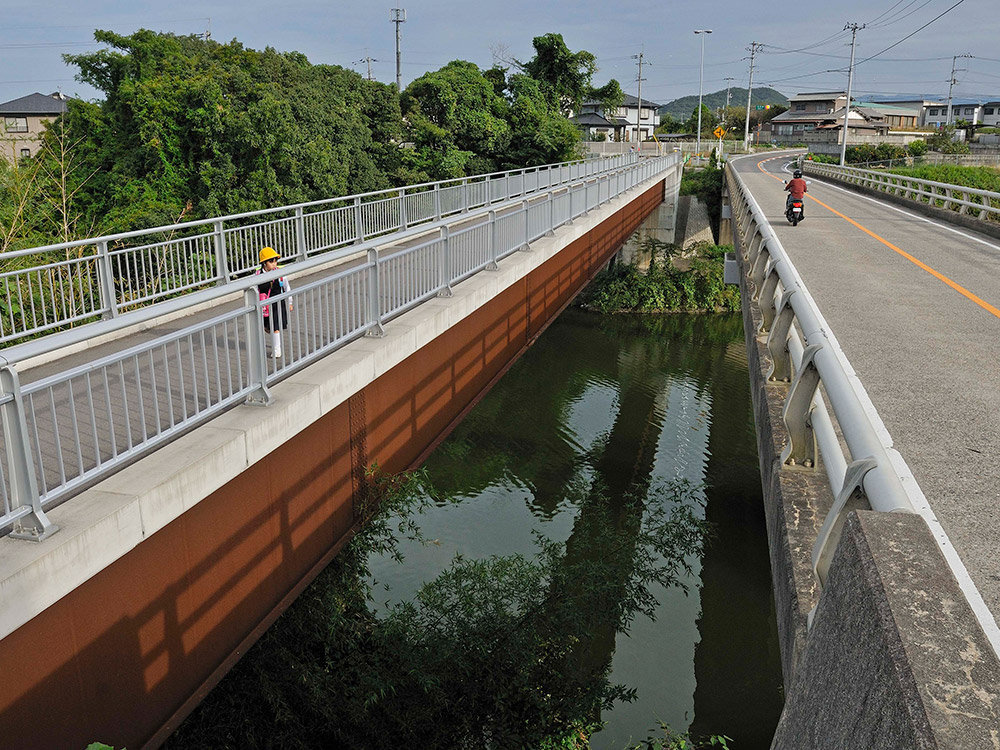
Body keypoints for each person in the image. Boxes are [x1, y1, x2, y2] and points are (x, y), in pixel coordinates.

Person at [256, 247, 292, 358]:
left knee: (275, 326)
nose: (274, 263)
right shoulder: (258, 275)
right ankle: (275, 344)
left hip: (277, 303)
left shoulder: (280, 274)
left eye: (275, 260)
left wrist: (290, 302)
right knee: (267, 327)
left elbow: (287, 287)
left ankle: (277, 350)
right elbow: (255, 290)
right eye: (271, 261)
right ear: (264, 263)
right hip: (265, 305)